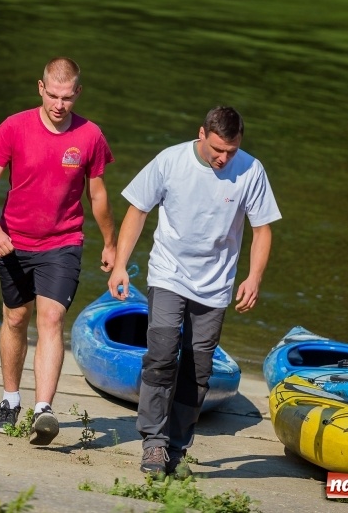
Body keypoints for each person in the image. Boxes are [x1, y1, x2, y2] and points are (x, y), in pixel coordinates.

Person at [107, 106, 281, 476]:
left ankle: (176, 447)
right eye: (218, 149)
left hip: (215, 285)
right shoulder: (170, 161)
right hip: (168, 274)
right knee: (162, 352)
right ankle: (153, 443)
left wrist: (254, 277)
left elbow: (262, 229)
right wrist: (121, 264)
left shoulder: (251, 169)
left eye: (231, 151)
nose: (224, 158)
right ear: (201, 134)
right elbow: (138, 210)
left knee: (198, 367)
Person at [0, 57, 117, 446]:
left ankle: (43, 410)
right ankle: (10, 399)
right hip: (14, 240)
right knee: (17, 319)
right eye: (53, 95)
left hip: (63, 241)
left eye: (67, 98)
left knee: (51, 318)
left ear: (78, 94)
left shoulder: (90, 136)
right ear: (40, 88)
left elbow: (98, 194)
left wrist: (111, 243)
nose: (59, 105)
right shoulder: (14, 126)